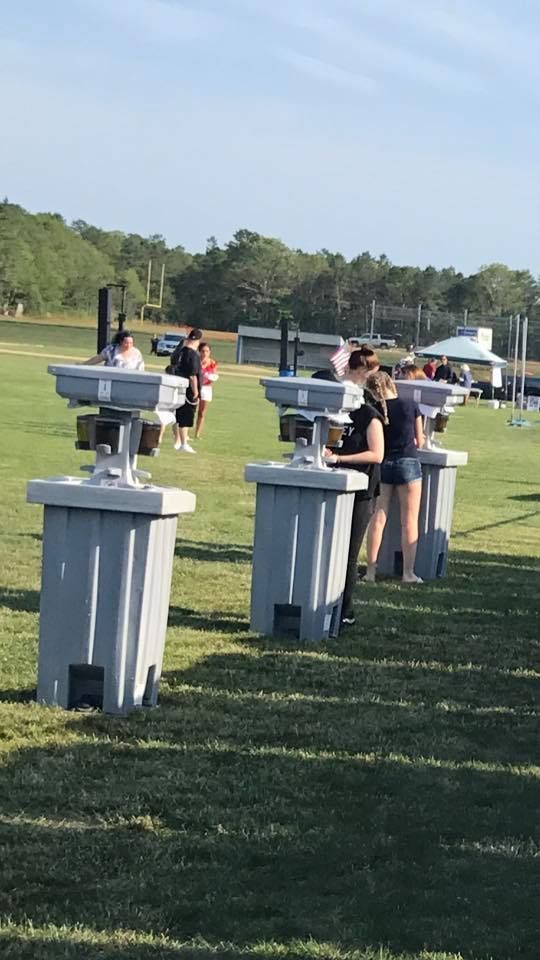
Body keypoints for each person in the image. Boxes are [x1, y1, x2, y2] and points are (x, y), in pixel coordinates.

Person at [364, 371, 424, 584]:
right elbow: (420, 440)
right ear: (391, 383)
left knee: (378, 517)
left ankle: (370, 571)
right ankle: (408, 573)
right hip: (408, 463)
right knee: (409, 522)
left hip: (383, 465)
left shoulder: (374, 411)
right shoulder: (410, 405)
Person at [169, 328, 202, 453]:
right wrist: (195, 391)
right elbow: (193, 375)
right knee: (186, 416)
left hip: (178, 384)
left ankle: (179, 441)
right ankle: (183, 443)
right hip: (187, 388)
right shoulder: (192, 354)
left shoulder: (181, 351)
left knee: (179, 414)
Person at [195, 342, 219, 439]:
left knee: (202, 412)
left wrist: (210, 376)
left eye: (207, 351)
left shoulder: (212, 363)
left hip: (206, 388)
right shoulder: (195, 361)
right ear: (199, 351)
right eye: (203, 351)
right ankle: (185, 431)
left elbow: (215, 375)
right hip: (195, 387)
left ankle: (197, 433)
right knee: (192, 410)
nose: (205, 353)